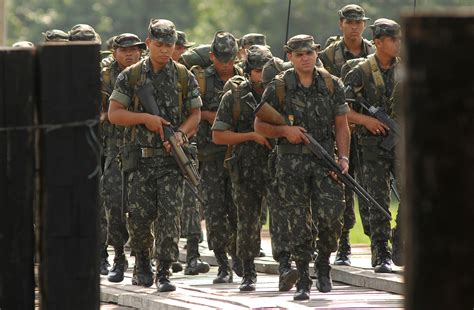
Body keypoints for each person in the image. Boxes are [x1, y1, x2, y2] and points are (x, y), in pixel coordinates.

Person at [108, 19, 202, 292]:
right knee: (138, 218)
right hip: (141, 160)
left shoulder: (184, 75)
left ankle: (164, 271)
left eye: (169, 46)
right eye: (159, 45)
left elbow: (195, 115)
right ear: (148, 43)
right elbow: (115, 114)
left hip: (172, 161)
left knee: (170, 217)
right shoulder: (132, 76)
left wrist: (182, 135)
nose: (164, 50)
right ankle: (142, 263)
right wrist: (146, 119)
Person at [254, 34, 350, 300]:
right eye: (299, 54)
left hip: (324, 162)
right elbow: (259, 125)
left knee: (332, 218)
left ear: (316, 53)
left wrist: (343, 158)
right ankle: (304, 279)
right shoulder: (279, 86)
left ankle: (323, 263)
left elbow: (341, 125)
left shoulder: (332, 84)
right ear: (290, 57)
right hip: (290, 162)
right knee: (297, 224)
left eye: (309, 53)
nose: (305, 58)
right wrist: (285, 130)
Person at [212, 45, 280, 291]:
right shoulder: (235, 96)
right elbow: (218, 135)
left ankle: (286, 266)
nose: (263, 75)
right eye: (259, 70)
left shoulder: (281, 92)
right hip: (246, 168)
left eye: (268, 70)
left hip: (279, 166)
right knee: (247, 222)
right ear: (249, 71)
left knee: (283, 219)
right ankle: (248, 271)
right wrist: (251, 136)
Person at [344, 18, 403, 273]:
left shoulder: (406, 70)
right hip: (372, 147)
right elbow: (340, 109)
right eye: (393, 39)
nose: (398, 44)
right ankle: (381, 253)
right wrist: (365, 120)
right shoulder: (361, 71)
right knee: (377, 200)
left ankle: (401, 239)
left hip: (401, 144)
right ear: (378, 43)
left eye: (399, 39)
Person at [318, 3, 375, 266]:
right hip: (339, 132)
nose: (354, 27)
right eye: (349, 22)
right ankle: (343, 246)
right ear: (340, 24)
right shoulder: (327, 57)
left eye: (358, 22)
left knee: (373, 189)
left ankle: (379, 245)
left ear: (364, 25)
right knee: (342, 190)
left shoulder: (376, 53)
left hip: (371, 135)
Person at [190, 31, 242, 284]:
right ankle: (222, 262)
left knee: (239, 209)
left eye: (230, 58)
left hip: (239, 156)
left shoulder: (245, 79)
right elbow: (190, 111)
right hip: (209, 156)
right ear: (212, 56)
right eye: (221, 58)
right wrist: (212, 116)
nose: (225, 63)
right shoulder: (200, 80)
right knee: (214, 210)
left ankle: (240, 255)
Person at [100, 33, 146, 282]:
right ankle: (118, 256)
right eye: (124, 50)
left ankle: (143, 260)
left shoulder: (148, 72)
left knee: (143, 207)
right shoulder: (103, 75)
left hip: (143, 147)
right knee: (114, 203)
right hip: (115, 147)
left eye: (134, 49)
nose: (130, 54)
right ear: (114, 51)